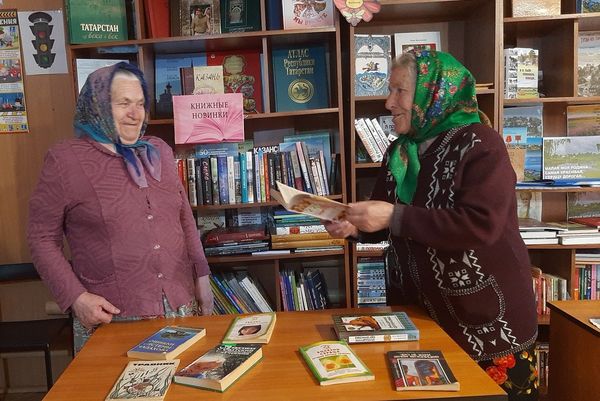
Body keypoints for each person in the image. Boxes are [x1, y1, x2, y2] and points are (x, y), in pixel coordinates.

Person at [324, 50, 538, 401]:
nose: (388, 102)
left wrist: (392, 216)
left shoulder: (481, 144)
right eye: (389, 90)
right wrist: (355, 227)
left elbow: (480, 225)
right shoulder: (399, 152)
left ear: (433, 93)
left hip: (486, 321)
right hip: (419, 316)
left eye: (399, 91)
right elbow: (387, 220)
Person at [27, 62, 214, 352]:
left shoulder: (159, 151)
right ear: (97, 105)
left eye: (140, 103)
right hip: (112, 316)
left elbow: (183, 217)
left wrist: (202, 276)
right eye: (123, 103)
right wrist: (77, 298)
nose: (135, 114)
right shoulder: (65, 159)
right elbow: (41, 238)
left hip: (179, 306)